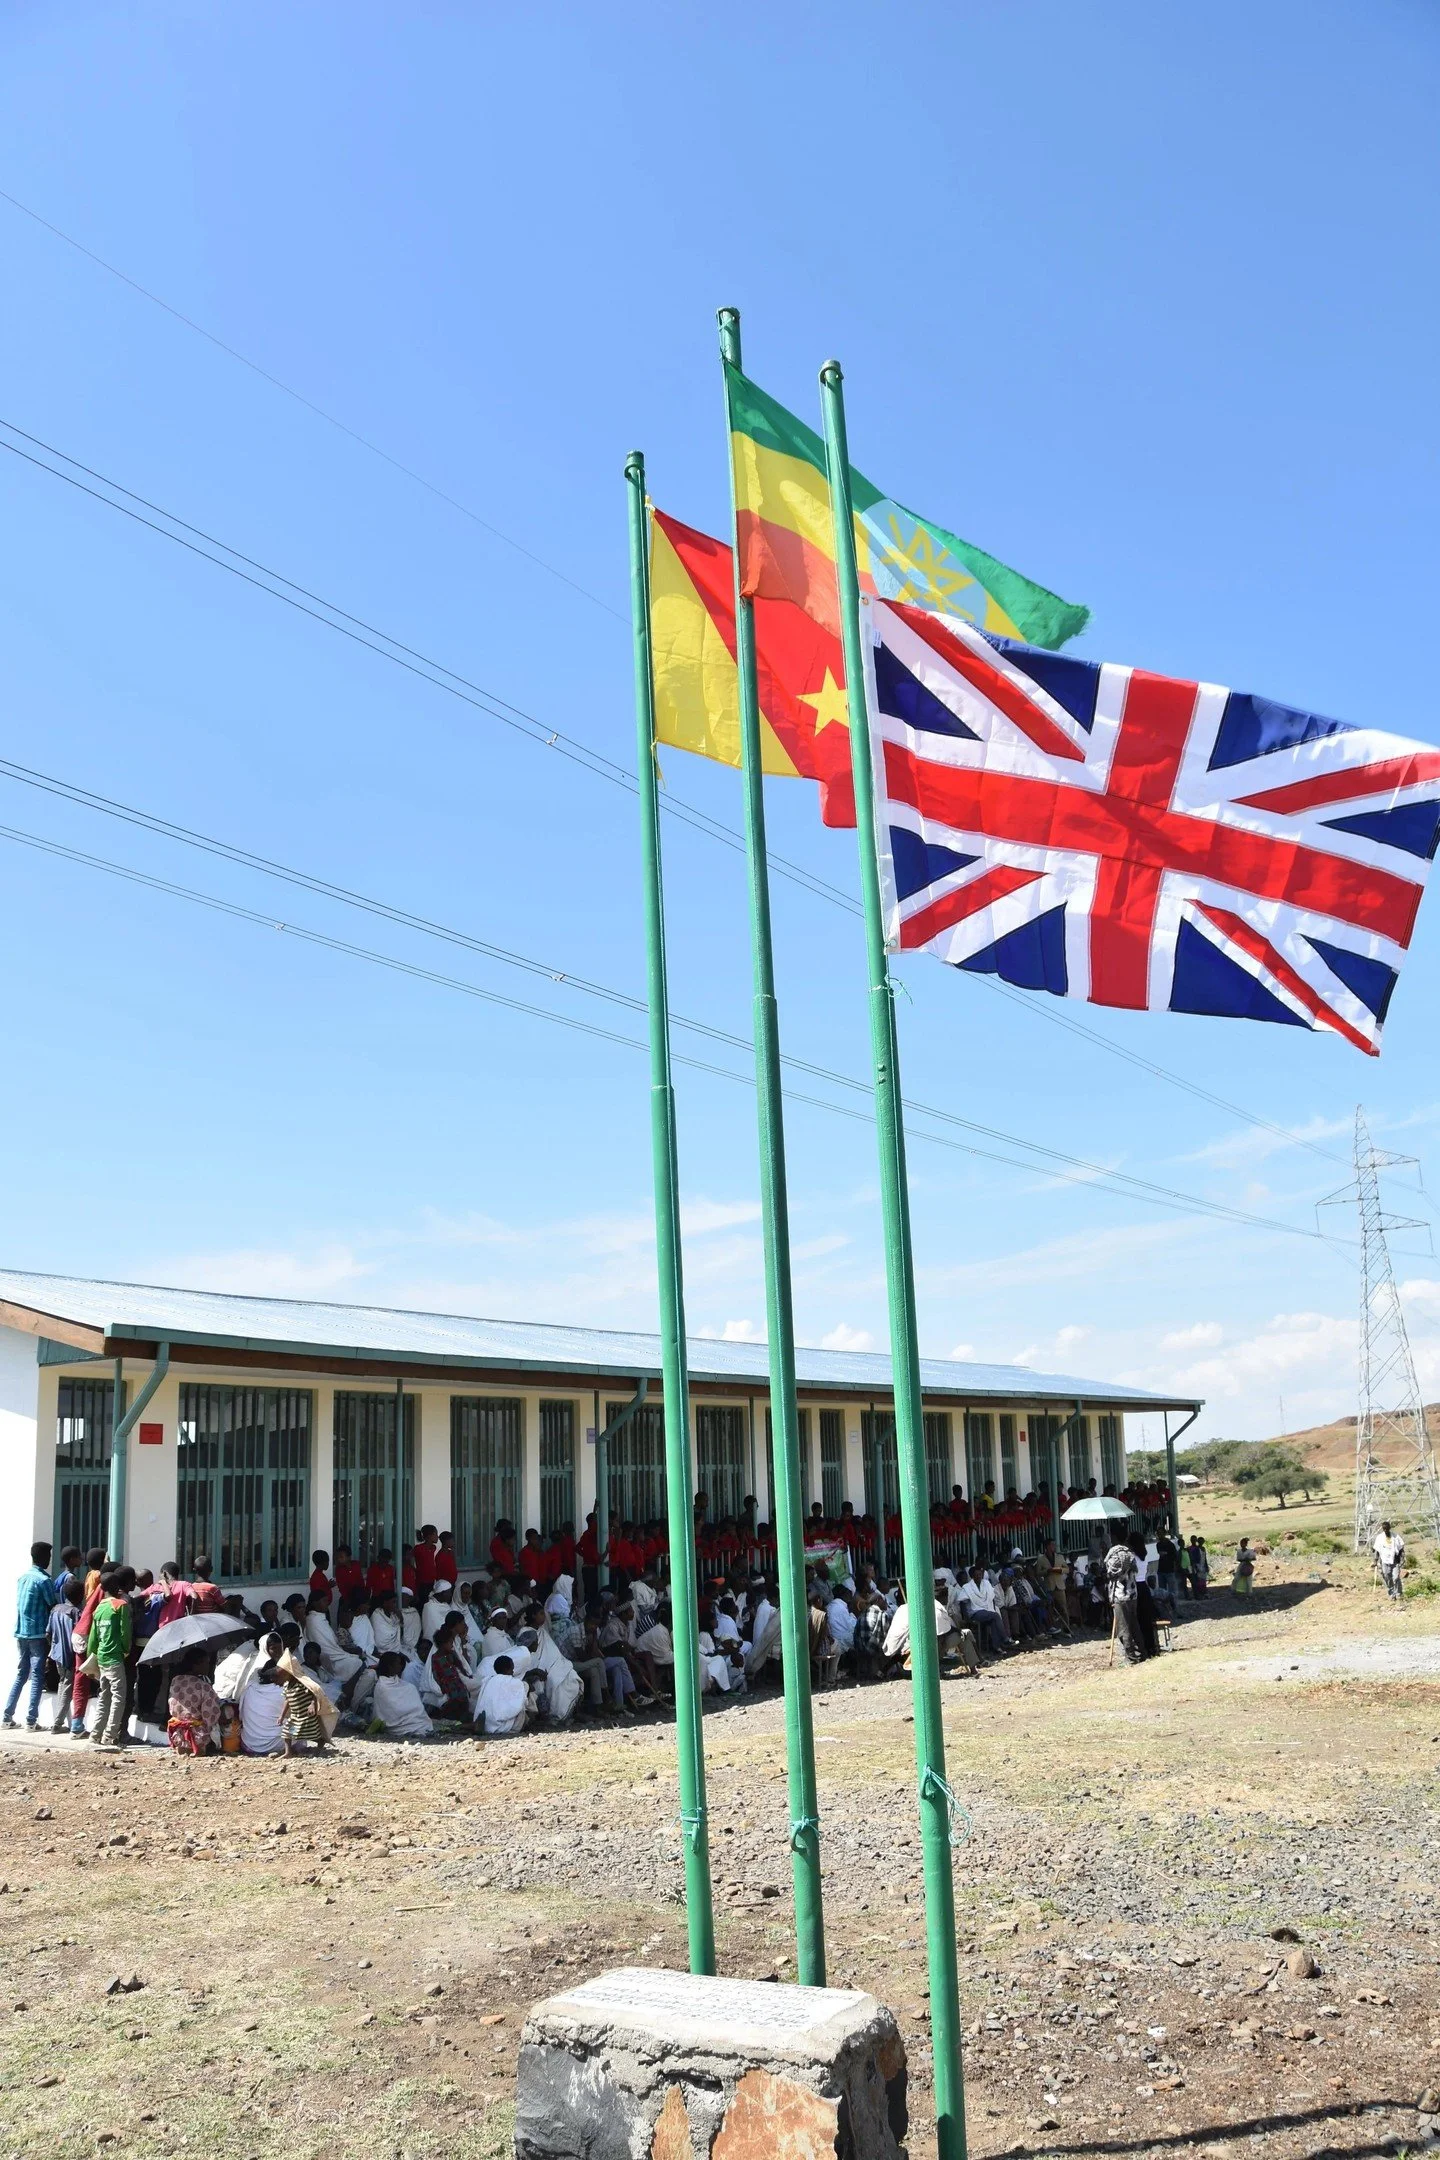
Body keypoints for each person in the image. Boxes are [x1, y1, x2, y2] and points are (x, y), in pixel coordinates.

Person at [4, 1541, 62, 1731]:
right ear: (44, 1558)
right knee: (37, 1675)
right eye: (49, 1557)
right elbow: (52, 1604)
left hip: (21, 1631)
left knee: (22, 1673)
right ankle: (31, 1720)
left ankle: (7, 1716)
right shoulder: (43, 1580)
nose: (49, 1560)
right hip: (37, 1633)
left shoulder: (23, 1578)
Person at [91, 1566, 135, 1748]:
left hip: (101, 1657)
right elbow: (125, 1633)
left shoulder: (98, 1609)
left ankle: (95, 1735)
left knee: (104, 1696)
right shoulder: (120, 1606)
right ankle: (110, 1736)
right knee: (119, 1697)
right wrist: (126, 1650)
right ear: (117, 1587)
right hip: (116, 1657)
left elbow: (93, 1639)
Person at [167, 1647, 221, 1754]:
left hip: (178, 1735)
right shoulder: (203, 1686)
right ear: (196, 1665)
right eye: (206, 1663)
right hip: (198, 1736)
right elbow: (210, 1714)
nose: (208, 1666)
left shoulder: (175, 1680)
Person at [373, 1649, 433, 1738]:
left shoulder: (405, 1685)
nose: (400, 1666)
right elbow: (393, 1709)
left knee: (411, 1688)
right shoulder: (382, 1687)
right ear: (390, 1666)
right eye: (397, 1663)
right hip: (395, 1724)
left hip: (416, 1720)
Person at [1104, 1533, 1143, 1664]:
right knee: (1134, 1624)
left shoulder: (1113, 1555)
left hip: (1120, 1595)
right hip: (1132, 1594)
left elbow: (1110, 1574)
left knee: (1123, 1627)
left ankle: (1131, 1657)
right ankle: (1141, 1651)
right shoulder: (1130, 1554)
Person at [239, 1660, 288, 1755]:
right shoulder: (284, 1691)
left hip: (249, 1744)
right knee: (296, 1728)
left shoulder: (250, 1687)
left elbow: (241, 1715)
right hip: (278, 1744)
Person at [475, 1652, 529, 1735]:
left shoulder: (488, 1680)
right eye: (512, 1669)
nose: (513, 1672)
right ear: (507, 1669)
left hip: (486, 1724)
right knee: (523, 1706)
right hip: (504, 1727)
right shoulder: (514, 1682)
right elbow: (521, 1701)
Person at [1373, 1521, 1406, 1601]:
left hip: (1395, 1560)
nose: (1385, 1530)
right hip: (1384, 1561)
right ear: (1382, 1529)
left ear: (1389, 1528)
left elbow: (1401, 1548)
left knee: (1396, 1577)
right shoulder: (1380, 1538)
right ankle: (1392, 1594)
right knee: (1387, 1577)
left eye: (1387, 1529)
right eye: (1384, 1529)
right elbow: (1377, 1550)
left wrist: (1403, 1558)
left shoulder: (1395, 1536)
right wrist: (1375, 1560)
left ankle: (1399, 1594)